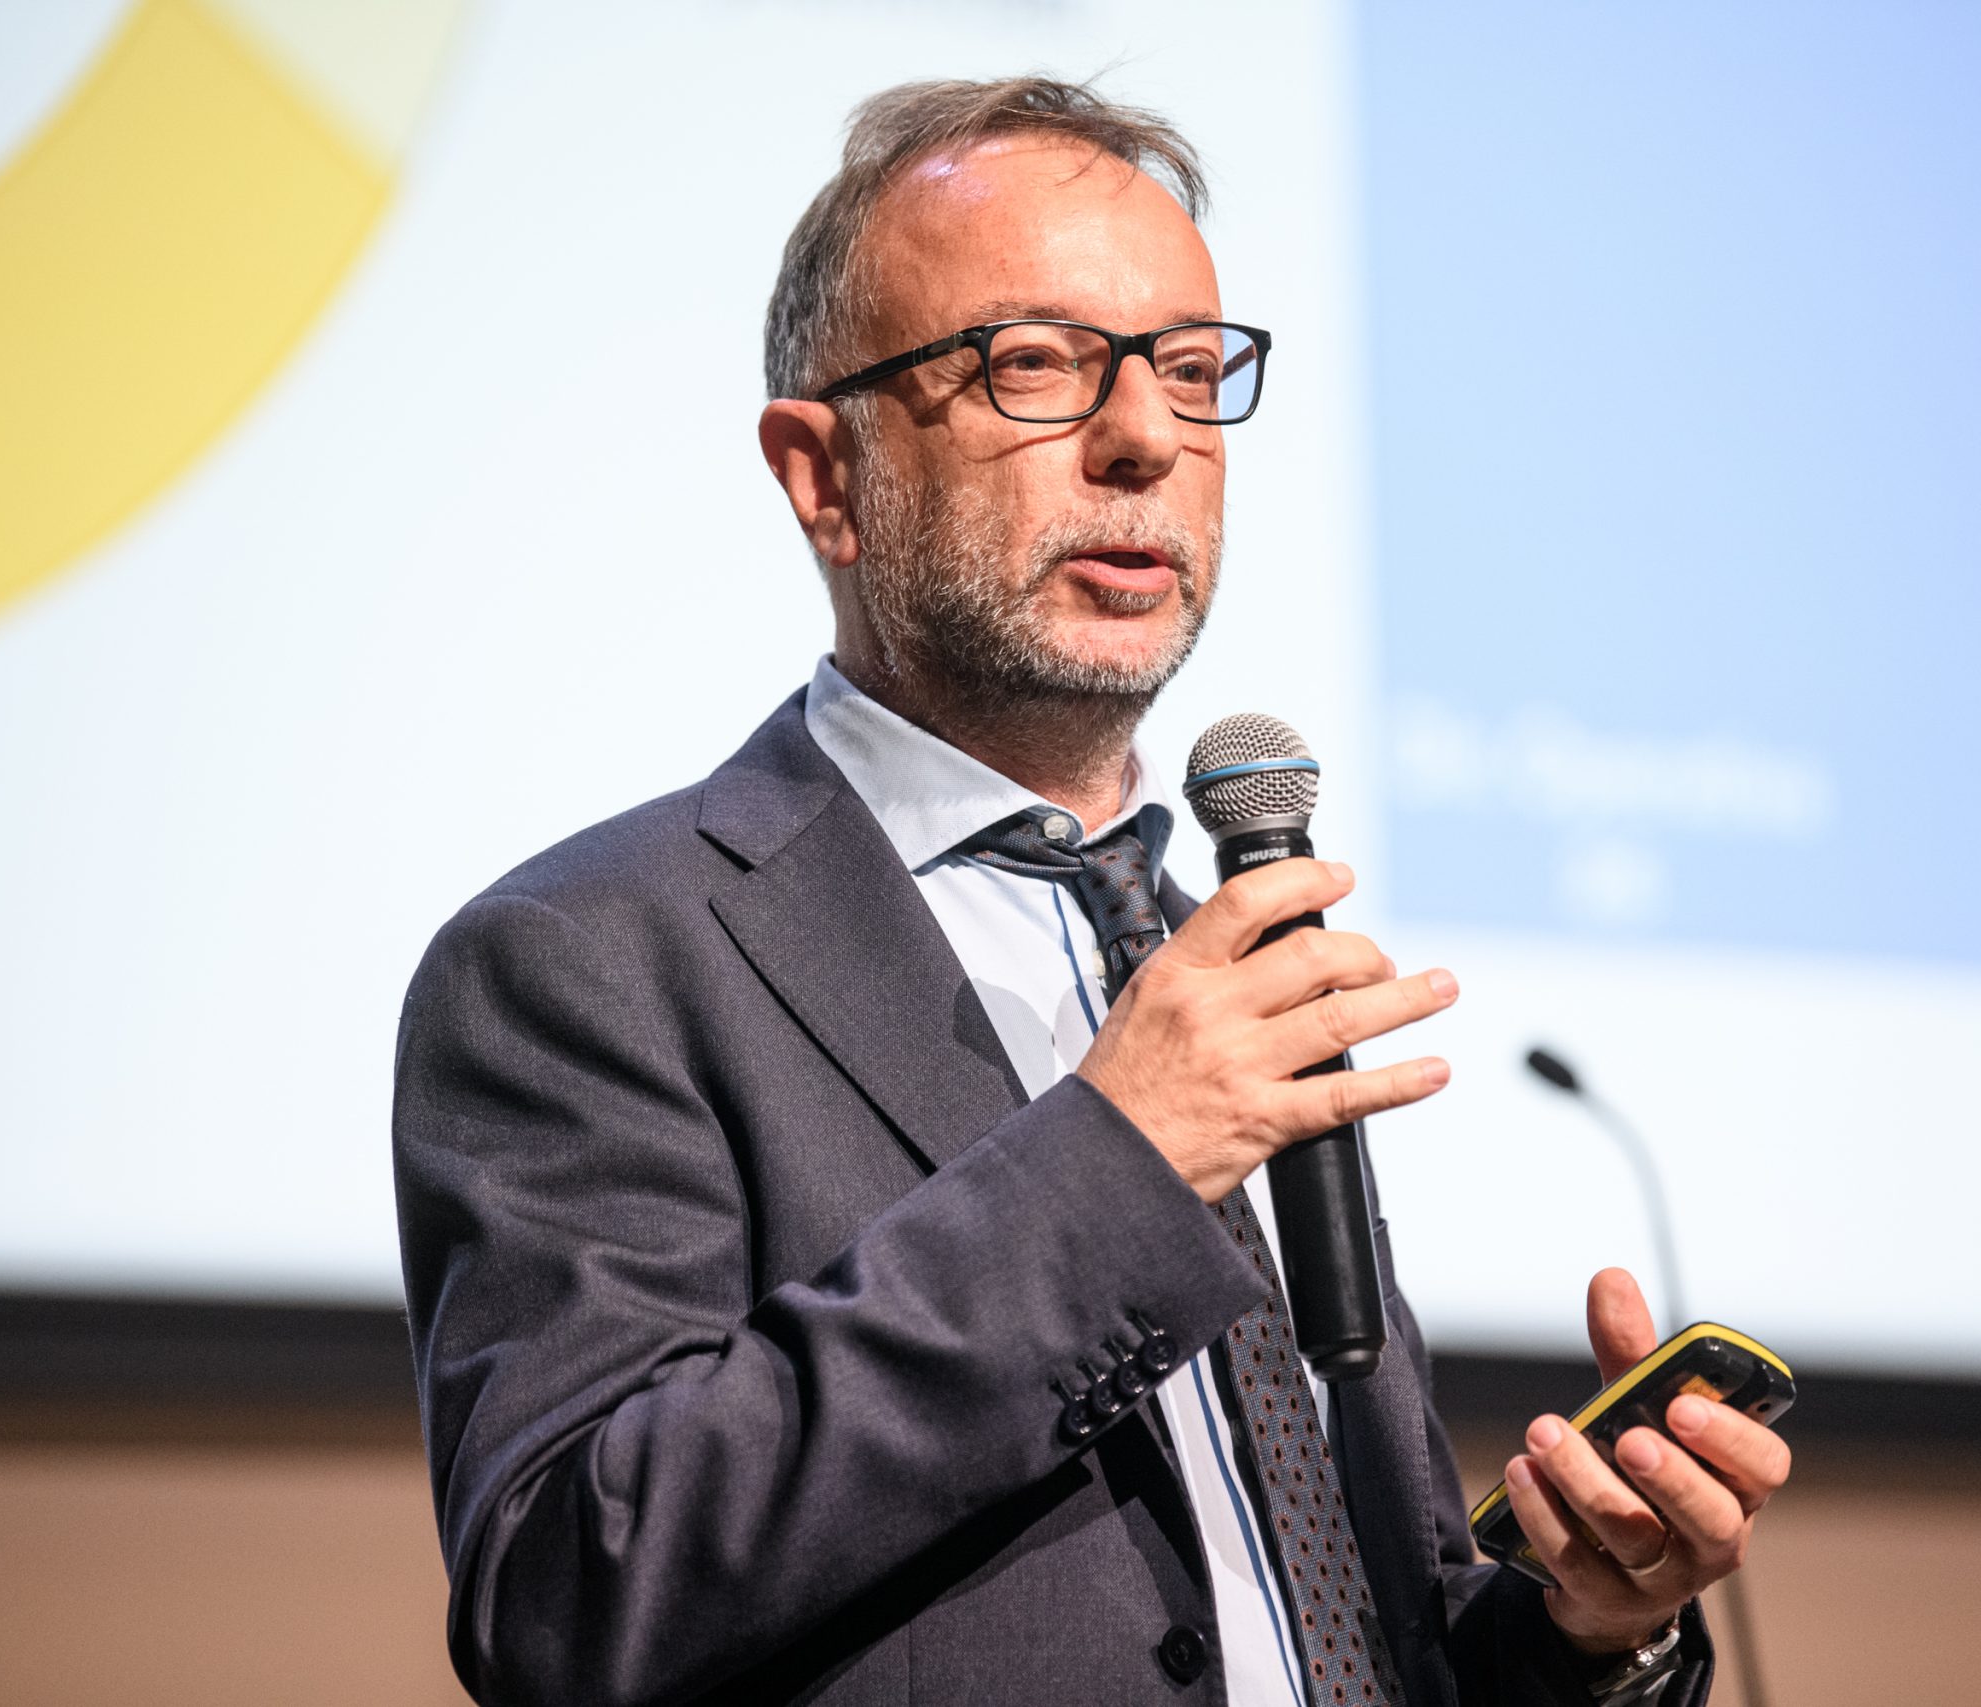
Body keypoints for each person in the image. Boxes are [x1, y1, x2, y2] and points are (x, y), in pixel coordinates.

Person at [393, 77, 1790, 1707]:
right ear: (825, 478)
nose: (1146, 440)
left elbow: (1345, 1629)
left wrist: (1587, 1630)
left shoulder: (1214, 952)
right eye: (1037, 364)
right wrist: (1118, 1165)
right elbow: (572, 1596)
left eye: (1190, 373)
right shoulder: (591, 961)